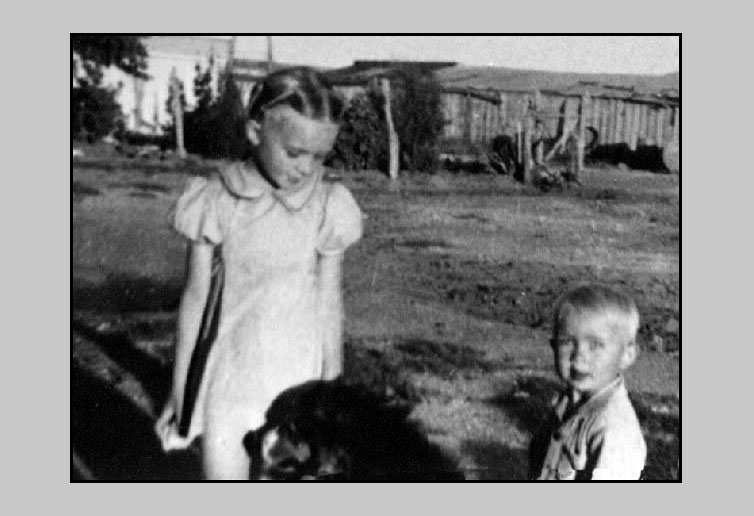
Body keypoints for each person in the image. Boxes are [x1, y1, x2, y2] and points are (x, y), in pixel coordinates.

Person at [154, 67, 363, 479]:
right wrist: (180, 391)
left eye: (318, 156)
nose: (305, 168)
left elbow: (329, 302)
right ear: (254, 131)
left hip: (297, 388)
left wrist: (332, 391)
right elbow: (195, 300)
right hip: (229, 383)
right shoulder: (217, 200)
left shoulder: (327, 207)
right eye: (294, 152)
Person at [531, 284, 647, 480]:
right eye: (566, 342)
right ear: (553, 346)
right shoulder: (567, 403)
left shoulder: (614, 431)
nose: (579, 356)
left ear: (627, 355)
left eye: (595, 345)